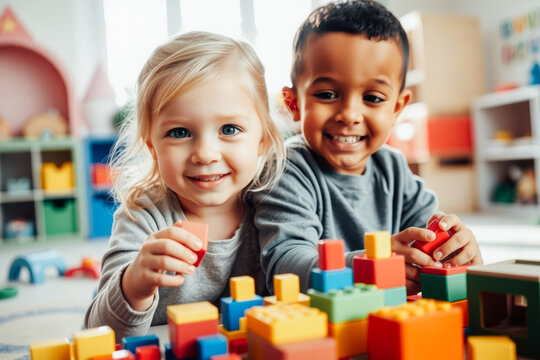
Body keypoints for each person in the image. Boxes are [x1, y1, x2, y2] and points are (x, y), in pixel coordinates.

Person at [251, 0, 482, 294]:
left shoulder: (394, 168)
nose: (349, 114)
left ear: (397, 108)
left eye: (372, 98)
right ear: (293, 103)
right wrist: (369, 265)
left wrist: (453, 247)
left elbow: (427, 234)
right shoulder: (285, 169)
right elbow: (285, 266)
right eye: (327, 93)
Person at [85, 31, 285, 340]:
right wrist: (135, 282)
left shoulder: (276, 202)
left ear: (262, 139)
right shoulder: (143, 216)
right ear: (152, 146)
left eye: (229, 129)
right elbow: (99, 331)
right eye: (179, 132)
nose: (205, 154)